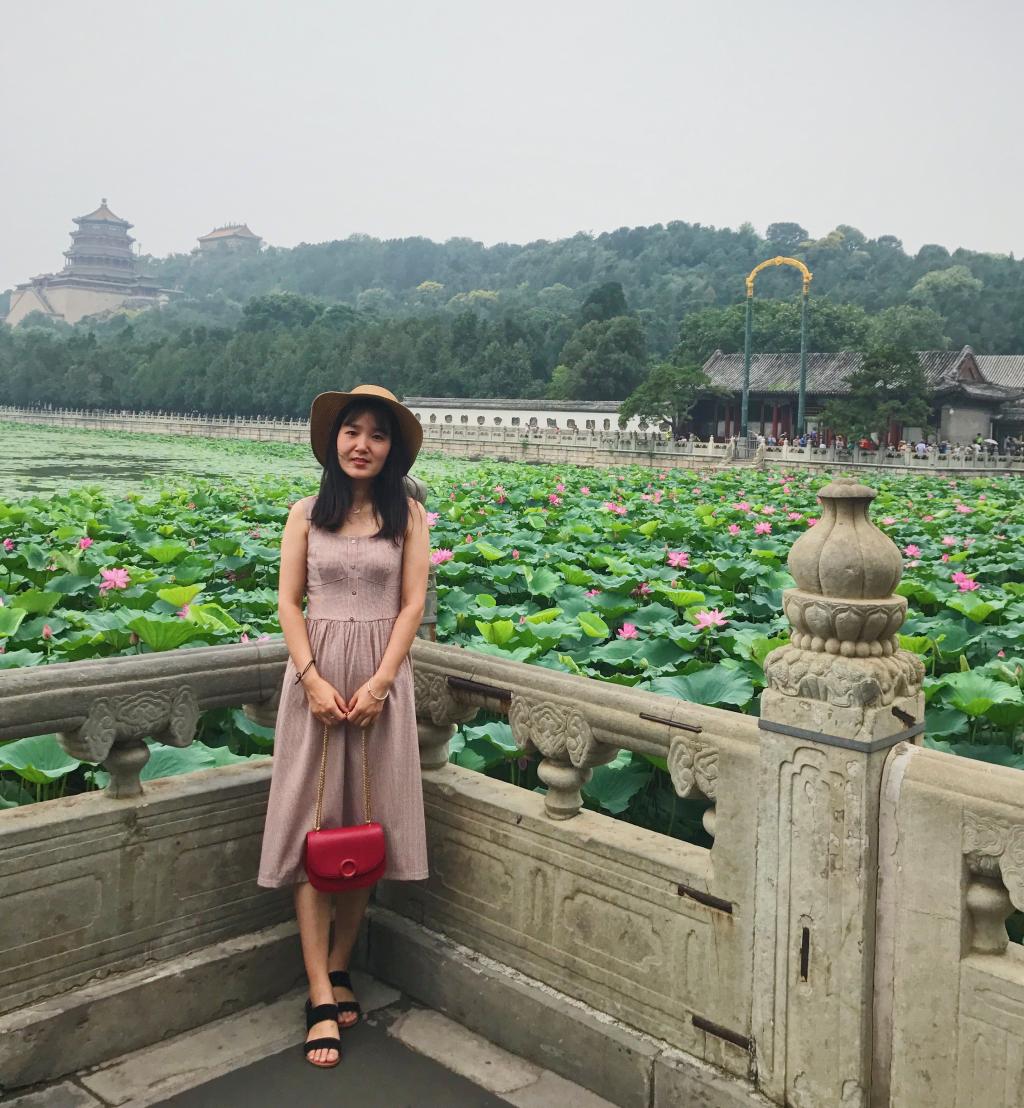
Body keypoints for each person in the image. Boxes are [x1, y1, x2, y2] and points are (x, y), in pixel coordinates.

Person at [257, 384, 430, 1069]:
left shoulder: (408, 515)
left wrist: (383, 681)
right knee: (314, 830)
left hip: (381, 681)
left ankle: (339, 962)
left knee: (365, 827)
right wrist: (311, 679)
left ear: (391, 450)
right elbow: (288, 601)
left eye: (377, 435)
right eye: (352, 431)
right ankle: (319, 991)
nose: (363, 444)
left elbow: (412, 603)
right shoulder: (305, 513)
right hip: (317, 677)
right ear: (333, 440)